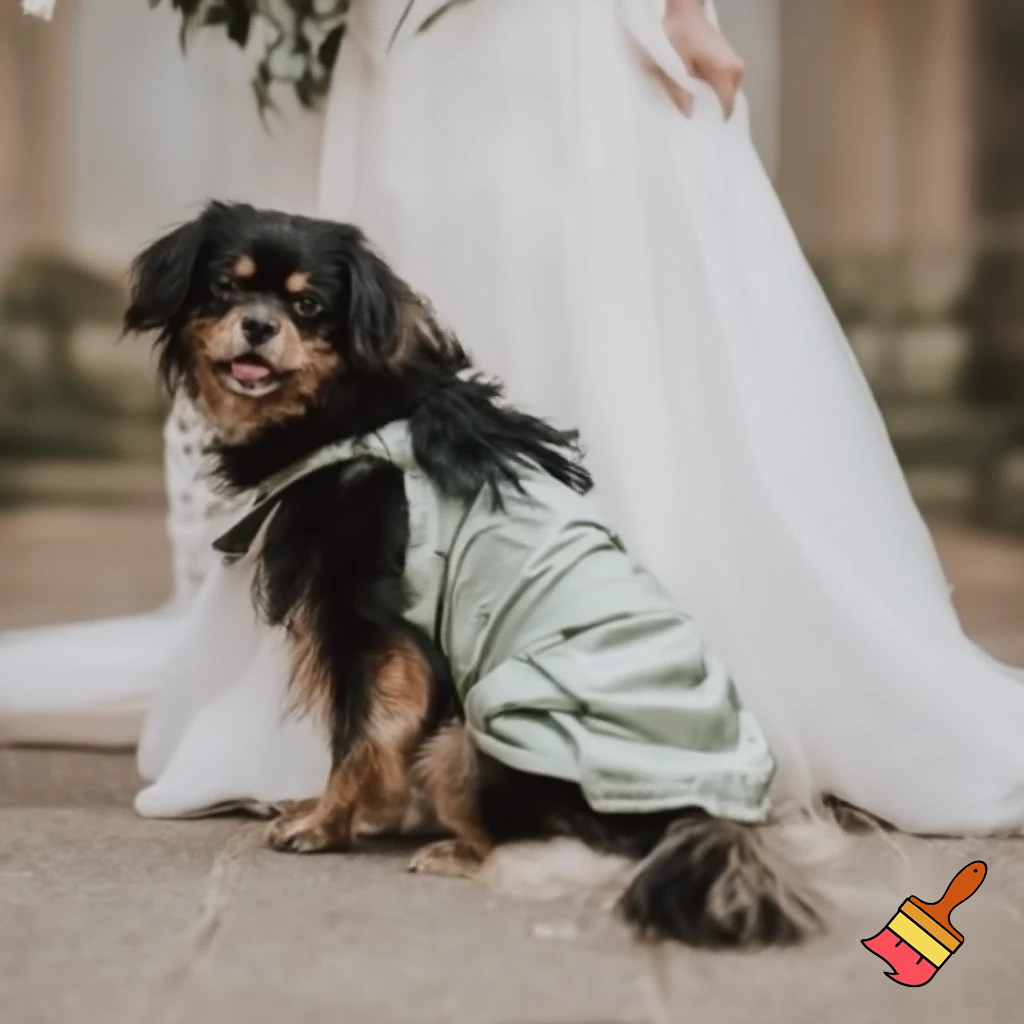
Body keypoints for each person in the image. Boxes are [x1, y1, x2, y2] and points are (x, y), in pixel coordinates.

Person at [4, 0, 1023, 835]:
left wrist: (682, 7)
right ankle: (367, 712)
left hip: (554, 35)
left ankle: (609, 681)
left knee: (576, 284)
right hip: (399, 37)